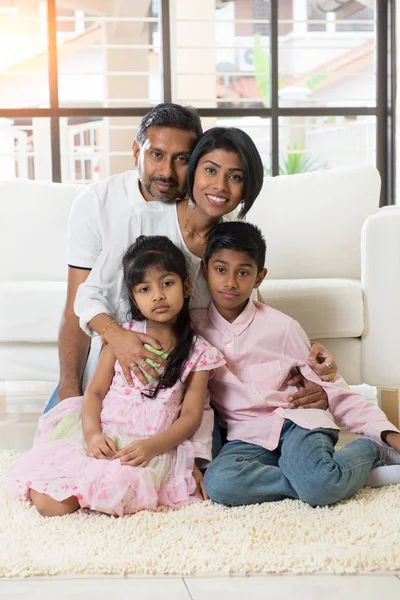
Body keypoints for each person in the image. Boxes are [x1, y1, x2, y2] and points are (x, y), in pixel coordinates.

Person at [74, 125, 333, 411]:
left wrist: (305, 368)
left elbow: (250, 318)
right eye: (210, 170)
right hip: (123, 379)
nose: (220, 186)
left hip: (193, 392)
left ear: (247, 188)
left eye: (235, 177)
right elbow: (87, 297)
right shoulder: (140, 219)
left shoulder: (234, 239)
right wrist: (118, 338)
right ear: (193, 171)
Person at [5, 236, 224, 517]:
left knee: (116, 493)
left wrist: (152, 447)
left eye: (167, 283)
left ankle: (93, 490)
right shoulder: (122, 338)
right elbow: (95, 393)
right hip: (104, 433)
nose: (157, 295)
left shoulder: (199, 352)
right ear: (134, 297)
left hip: (148, 446)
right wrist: (92, 435)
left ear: (186, 287)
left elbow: (191, 416)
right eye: (145, 288)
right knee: (50, 503)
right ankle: (78, 483)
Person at [191, 221, 400, 507]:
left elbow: (332, 388)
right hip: (247, 437)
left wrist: (386, 433)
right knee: (220, 482)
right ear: (205, 270)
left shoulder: (282, 327)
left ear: (259, 277)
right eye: (220, 270)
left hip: (298, 423)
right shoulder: (194, 330)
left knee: (318, 487)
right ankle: (323, 476)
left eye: (243, 272)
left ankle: (373, 450)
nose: (230, 282)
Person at [51, 103, 203, 408]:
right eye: (156, 154)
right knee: (55, 441)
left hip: (182, 370)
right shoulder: (96, 203)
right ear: (137, 151)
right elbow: (77, 305)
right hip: (110, 365)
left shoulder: (203, 209)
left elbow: (240, 296)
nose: (166, 172)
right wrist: (69, 389)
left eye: (181, 159)